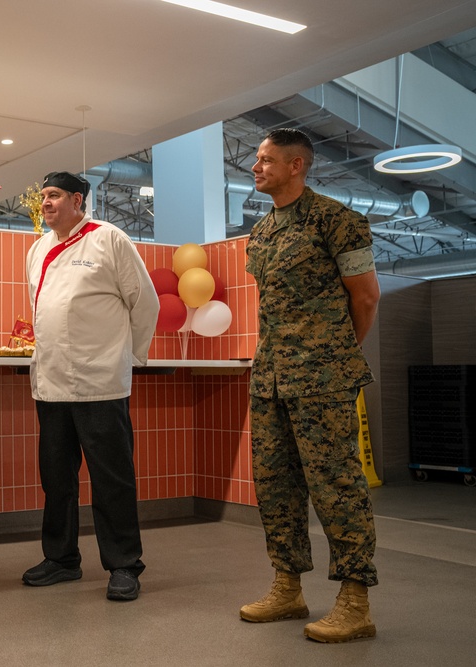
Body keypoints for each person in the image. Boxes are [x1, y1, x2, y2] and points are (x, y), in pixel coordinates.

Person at [241, 128, 380, 643]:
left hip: (322, 378)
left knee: (337, 487)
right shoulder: (262, 231)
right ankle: (287, 587)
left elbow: (365, 299)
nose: (256, 168)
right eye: (256, 160)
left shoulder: (337, 221)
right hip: (271, 377)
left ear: (297, 165)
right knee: (276, 486)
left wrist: (336, 355)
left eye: (265, 160)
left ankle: (355, 600)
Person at [23, 171, 159, 601]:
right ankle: (61, 559)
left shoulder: (109, 238)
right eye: (43, 196)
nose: (46, 203)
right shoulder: (38, 248)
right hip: (51, 385)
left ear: (78, 200)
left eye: (55, 195)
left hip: (101, 383)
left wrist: (127, 358)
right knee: (56, 479)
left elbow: (145, 302)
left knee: (111, 479)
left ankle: (123, 565)